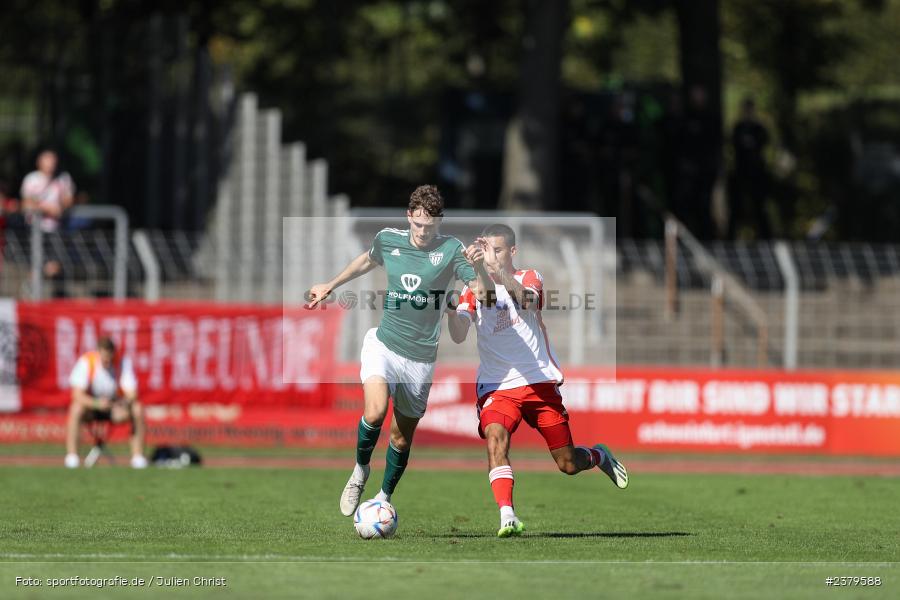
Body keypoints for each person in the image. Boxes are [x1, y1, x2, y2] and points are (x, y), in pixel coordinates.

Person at [306, 185, 491, 517]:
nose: (422, 232)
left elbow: (483, 293)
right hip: (384, 345)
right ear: (409, 216)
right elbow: (366, 260)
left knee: (401, 438)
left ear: (439, 222)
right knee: (375, 412)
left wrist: (477, 268)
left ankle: (383, 498)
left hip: (420, 359)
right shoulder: (388, 239)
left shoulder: (451, 249)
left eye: (429, 226)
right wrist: (329, 285)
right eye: (417, 224)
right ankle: (360, 472)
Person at [448, 224, 628, 537]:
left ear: (511, 252)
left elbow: (526, 301)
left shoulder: (529, 277)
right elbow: (459, 333)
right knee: (495, 436)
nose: (492, 254)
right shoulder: (471, 289)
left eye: (498, 249)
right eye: (487, 248)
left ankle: (598, 456)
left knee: (568, 463)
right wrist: (452, 311)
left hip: (538, 382)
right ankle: (508, 516)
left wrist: (490, 270)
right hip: (497, 386)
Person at [65, 336, 147, 469]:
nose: (107, 361)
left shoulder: (122, 363)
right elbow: (77, 394)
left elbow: (132, 393)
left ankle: (137, 457)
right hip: (92, 407)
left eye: (109, 357)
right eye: (104, 358)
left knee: (137, 408)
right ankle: (72, 457)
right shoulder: (87, 362)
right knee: (76, 408)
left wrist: (123, 403)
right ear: (98, 352)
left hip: (114, 408)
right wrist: (96, 403)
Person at [730, 97, 771, 239]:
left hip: (757, 173)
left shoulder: (759, 128)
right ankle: (732, 237)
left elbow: (763, 143)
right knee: (737, 207)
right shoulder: (738, 128)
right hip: (741, 172)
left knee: (759, 207)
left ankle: (766, 238)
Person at [20, 149, 74, 233]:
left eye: (53, 161)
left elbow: (68, 200)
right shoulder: (31, 179)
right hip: (34, 228)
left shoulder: (64, 178)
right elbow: (26, 202)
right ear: (39, 162)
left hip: (58, 228)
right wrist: (47, 209)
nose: (51, 164)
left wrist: (61, 208)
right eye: (48, 161)